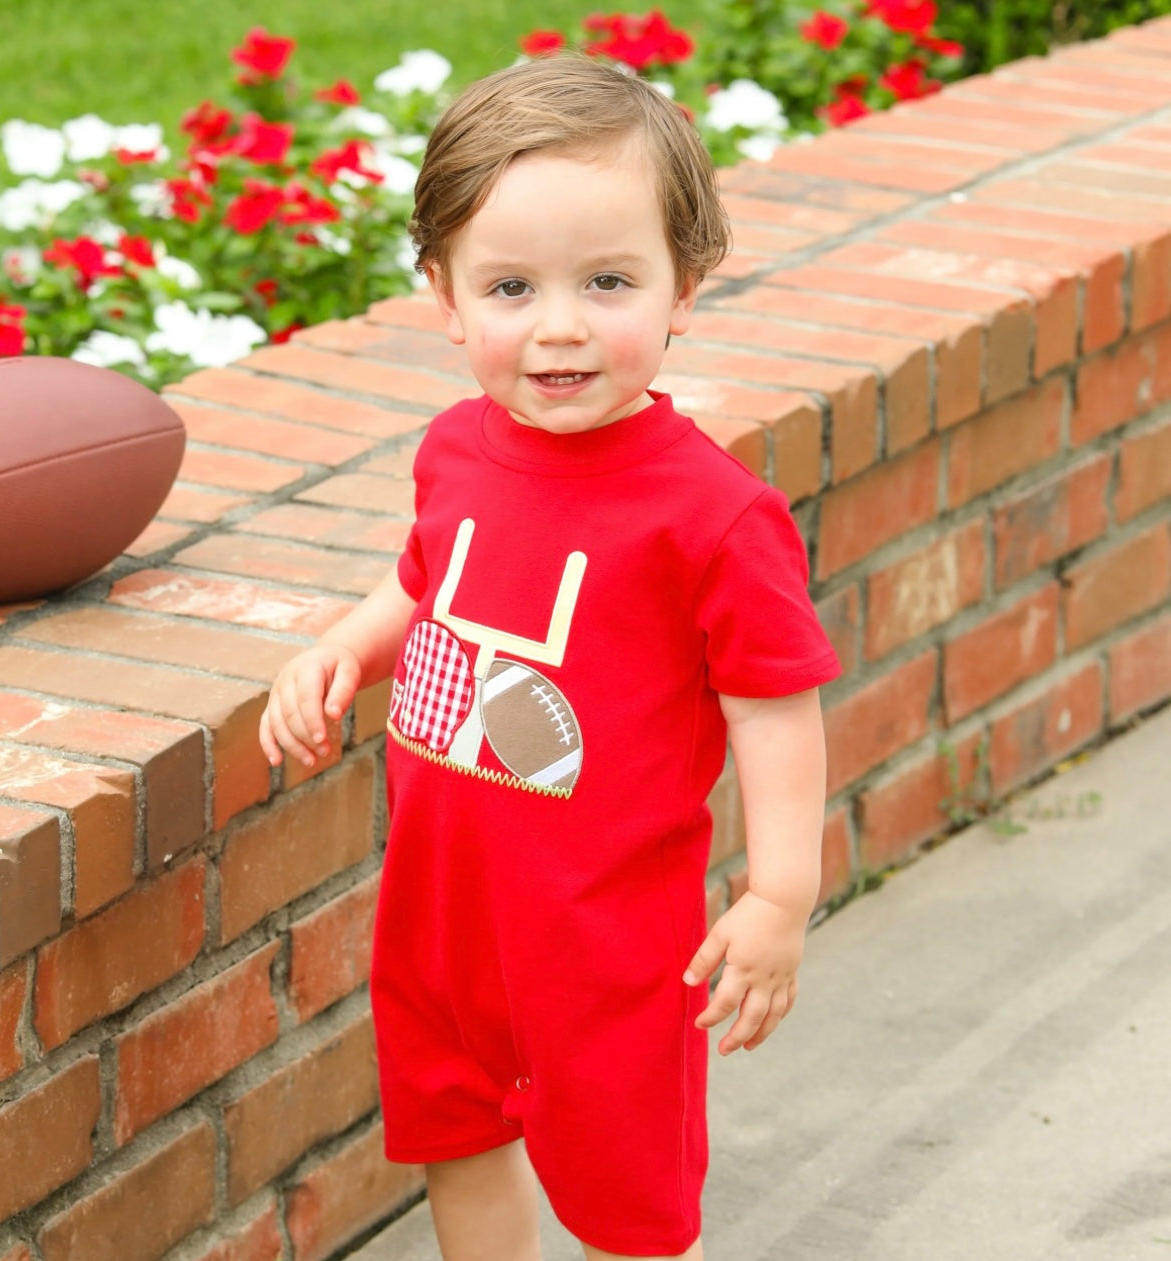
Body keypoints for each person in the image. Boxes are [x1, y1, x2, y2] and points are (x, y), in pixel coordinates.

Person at [260, 54, 839, 1261]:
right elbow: (424, 586)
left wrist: (782, 891)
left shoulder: (711, 516)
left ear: (687, 286)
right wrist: (342, 649)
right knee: (457, 1141)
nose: (561, 326)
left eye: (609, 280)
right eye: (512, 286)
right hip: (439, 924)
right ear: (447, 296)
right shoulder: (458, 451)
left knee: (628, 1197)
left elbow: (773, 707)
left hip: (609, 951)